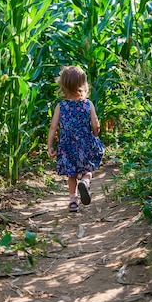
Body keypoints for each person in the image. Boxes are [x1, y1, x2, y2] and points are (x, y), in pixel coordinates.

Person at [47, 66, 105, 213]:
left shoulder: (61, 106)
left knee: (71, 174)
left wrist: (50, 146)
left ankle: (73, 201)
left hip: (67, 145)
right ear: (83, 84)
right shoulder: (88, 104)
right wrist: (95, 135)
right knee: (89, 167)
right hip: (85, 142)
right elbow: (95, 125)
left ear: (63, 85)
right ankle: (85, 180)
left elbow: (53, 127)